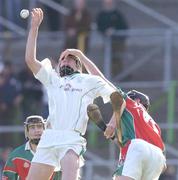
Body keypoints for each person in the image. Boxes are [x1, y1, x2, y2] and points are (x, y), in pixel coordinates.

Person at [25, 8, 120, 180]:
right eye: (62, 59)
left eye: (71, 58)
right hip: (50, 137)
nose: (65, 60)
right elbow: (30, 60)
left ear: (79, 66)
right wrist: (34, 28)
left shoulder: (86, 80)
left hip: (71, 138)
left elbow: (116, 96)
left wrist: (113, 121)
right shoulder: (53, 79)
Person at [61, 49, 167, 180]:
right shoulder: (152, 124)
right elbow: (127, 144)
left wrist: (81, 57)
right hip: (159, 158)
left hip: (137, 147)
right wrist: (108, 131)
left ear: (137, 100)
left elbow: (102, 81)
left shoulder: (132, 103)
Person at [2, 115, 61, 180]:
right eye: (32, 127)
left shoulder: (56, 153)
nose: (36, 130)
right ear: (27, 131)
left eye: (39, 126)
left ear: (45, 129)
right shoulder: (16, 156)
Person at [96, 0, 129, 77]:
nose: (108, 5)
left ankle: (119, 76)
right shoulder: (101, 15)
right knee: (107, 58)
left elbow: (124, 26)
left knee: (117, 59)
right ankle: (107, 76)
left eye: (110, 3)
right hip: (106, 42)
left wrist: (114, 30)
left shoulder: (117, 14)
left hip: (117, 42)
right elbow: (99, 26)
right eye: (106, 3)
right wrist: (105, 31)